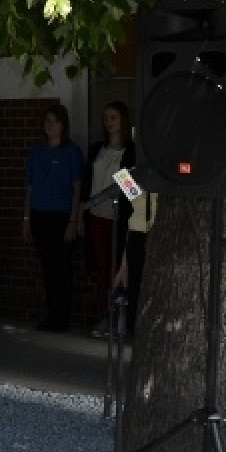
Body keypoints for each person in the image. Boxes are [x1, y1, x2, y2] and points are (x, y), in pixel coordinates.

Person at [22, 103, 84, 332]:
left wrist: (73, 220)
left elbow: (77, 188)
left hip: (61, 216)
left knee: (62, 269)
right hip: (40, 215)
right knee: (47, 268)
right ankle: (51, 314)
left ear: (63, 125)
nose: (50, 126)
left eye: (55, 121)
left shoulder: (71, 152)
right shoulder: (37, 153)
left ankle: (62, 317)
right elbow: (30, 188)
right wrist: (26, 219)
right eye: (47, 121)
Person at [83, 102, 135, 338]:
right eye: (106, 118)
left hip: (119, 218)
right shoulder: (97, 149)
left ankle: (119, 317)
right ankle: (105, 314)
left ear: (122, 120)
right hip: (97, 215)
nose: (109, 123)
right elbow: (88, 180)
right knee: (102, 267)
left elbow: (133, 191)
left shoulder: (130, 151)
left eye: (113, 118)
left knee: (119, 268)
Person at [114, 189, 157, 336]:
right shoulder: (128, 177)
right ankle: (132, 325)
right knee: (134, 283)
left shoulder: (161, 177)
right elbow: (127, 215)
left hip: (154, 232)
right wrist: (123, 264)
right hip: (136, 233)